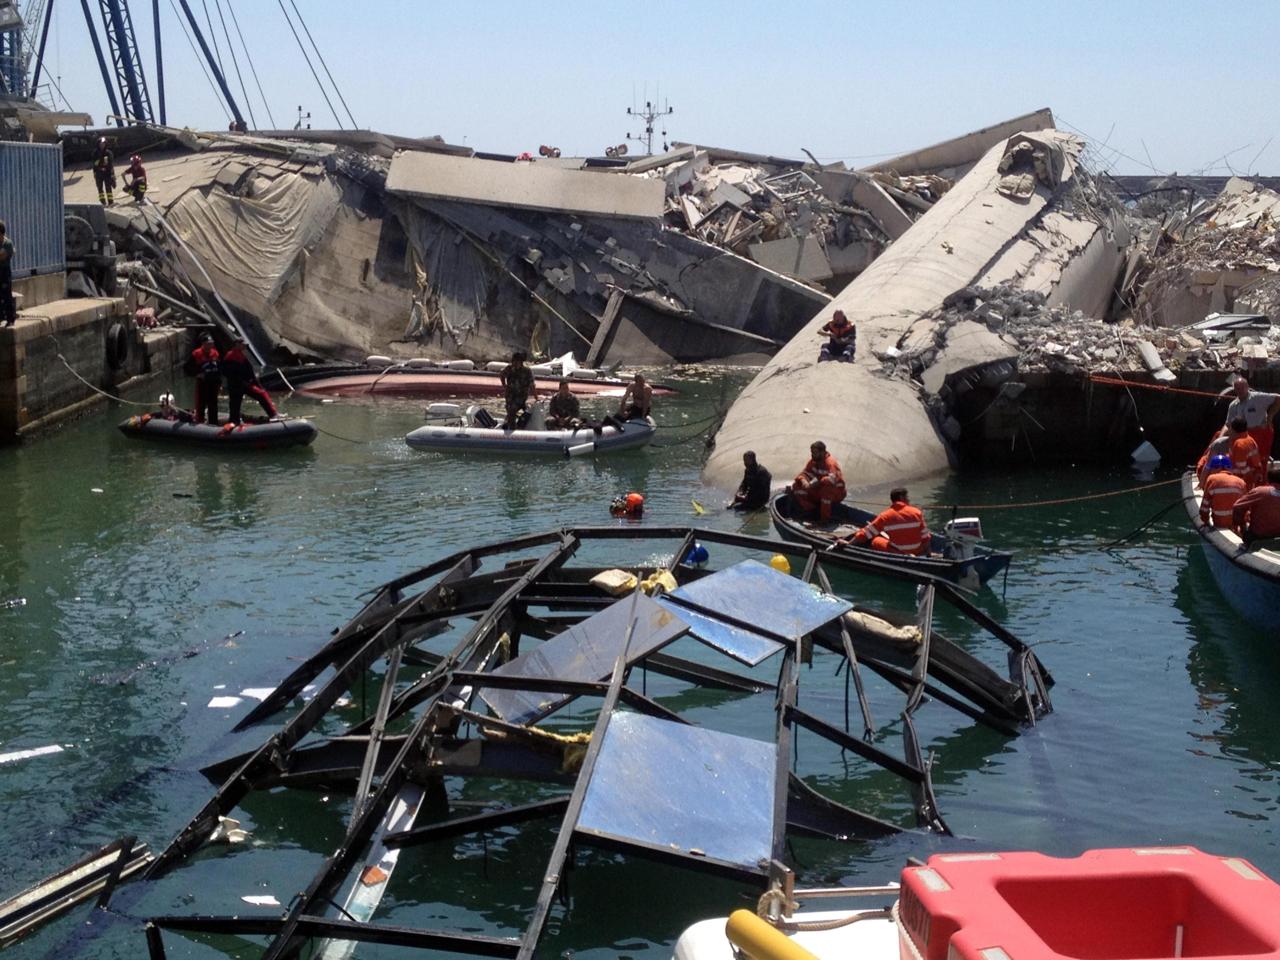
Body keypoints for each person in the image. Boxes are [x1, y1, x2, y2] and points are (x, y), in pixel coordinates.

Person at [840, 487, 930, 555]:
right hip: (917, 551)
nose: (909, 500)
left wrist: (849, 543)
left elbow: (867, 533)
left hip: (897, 552)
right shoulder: (917, 512)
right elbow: (926, 537)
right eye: (907, 497)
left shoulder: (885, 516)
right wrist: (927, 553)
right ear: (902, 497)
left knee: (875, 540)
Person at [1222, 376, 1280, 469]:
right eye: (1237, 388)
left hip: (1260, 433)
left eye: (1242, 388)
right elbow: (1228, 424)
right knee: (1243, 459)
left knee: (1260, 461)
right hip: (1242, 435)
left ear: (1247, 387)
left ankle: (1260, 475)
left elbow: (1278, 398)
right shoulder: (1233, 405)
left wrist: (1270, 417)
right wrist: (1221, 438)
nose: (1240, 391)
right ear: (1234, 390)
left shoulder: (1258, 398)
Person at [221, 334, 278, 423]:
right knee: (235, 404)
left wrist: (257, 384)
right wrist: (242, 382)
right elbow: (227, 373)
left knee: (261, 394)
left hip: (246, 384)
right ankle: (234, 421)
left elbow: (250, 372)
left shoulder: (242, 355)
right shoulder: (230, 356)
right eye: (243, 344)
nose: (244, 346)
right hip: (236, 386)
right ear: (237, 344)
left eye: (245, 345)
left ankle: (273, 414)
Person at [789, 440, 846, 522]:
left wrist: (817, 482)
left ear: (822, 452)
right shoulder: (813, 462)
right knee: (796, 485)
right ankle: (811, 511)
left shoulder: (831, 463)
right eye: (812, 452)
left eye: (815, 453)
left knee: (826, 490)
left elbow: (832, 480)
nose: (812, 455)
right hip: (819, 490)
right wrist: (803, 481)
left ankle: (824, 520)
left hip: (836, 493)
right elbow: (804, 473)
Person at [1199, 454, 1246, 529]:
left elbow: (1204, 507)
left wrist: (1205, 521)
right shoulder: (1241, 482)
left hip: (1219, 524)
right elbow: (1244, 508)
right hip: (1235, 526)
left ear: (1217, 468)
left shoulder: (1211, 479)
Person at [190, 333, 222, 424]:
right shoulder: (196, 354)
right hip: (203, 384)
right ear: (203, 344)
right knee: (201, 404)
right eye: (208, 344)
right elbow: (187, 368)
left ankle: (213, 423)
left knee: (213, 405)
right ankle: (199, 422)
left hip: (213, 383)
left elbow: (219, 369)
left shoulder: (215, 353)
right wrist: (197, 374)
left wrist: (220, 383)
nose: (210, 345)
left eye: (212, 343)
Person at [499, 351, 534, 429]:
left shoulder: (527, 371)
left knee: (515, 409)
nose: (515, 363)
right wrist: (504, 386)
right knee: (511, 409)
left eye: (517, 361)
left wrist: (536, 397)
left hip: (521, 396)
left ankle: (514, 425)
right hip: (510, 396)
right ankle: (511, 426)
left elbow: (532, 384)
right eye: (514, 361)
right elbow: (502, 375)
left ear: (521, 362)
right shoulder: (509, 368)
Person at [1227, 417, 1264, 488]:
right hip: (1250, 480)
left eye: (1230, 428)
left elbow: (1242, 467)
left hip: (1242, 482)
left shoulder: (1239, 444)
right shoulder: (1250, 440)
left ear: (1233, 430)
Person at [92, 137, 116, 207]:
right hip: (98, 173)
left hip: (107, 173)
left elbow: (111, 164)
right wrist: (98, 169)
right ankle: (102, 202)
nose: (102, 145)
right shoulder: (95, 153)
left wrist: (112, 174)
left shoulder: (109, 153)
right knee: (100, 188)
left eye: (103, 144)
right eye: (100, 144)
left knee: (108, 188)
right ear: (98, 144)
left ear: (106, 144)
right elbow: (94, 164)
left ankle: (111, 202)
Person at [0, 220, 14, 328]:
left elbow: (3, 256)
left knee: (7, 296)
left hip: (4, 272)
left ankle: (10, 319)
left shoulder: (7, 243)